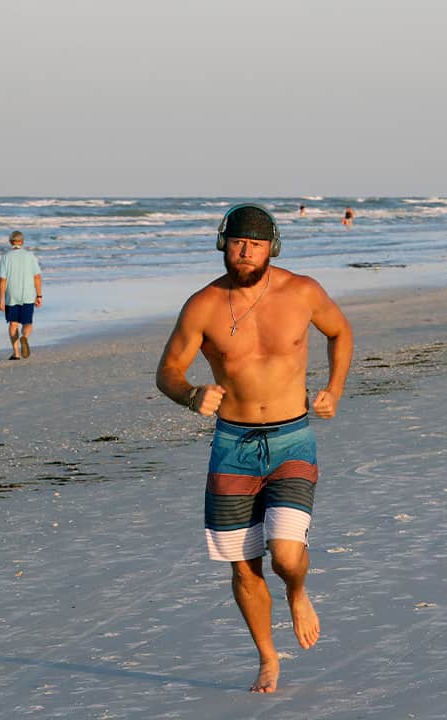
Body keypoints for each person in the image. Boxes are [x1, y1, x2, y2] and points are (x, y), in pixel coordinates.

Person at [156, 203, 353, 694]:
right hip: (232, 444)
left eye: (256, 244)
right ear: (224, 243)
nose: (245, 252)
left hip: (291, 437)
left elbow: (340, 331)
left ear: (272, 247)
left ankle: (299, 590)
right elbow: (168, 372)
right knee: (244, 565)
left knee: (286, 557)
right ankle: (267, 657)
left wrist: (335, 388)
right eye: (238, 242)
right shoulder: (201, 305)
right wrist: (191, 395)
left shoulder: (301, 292)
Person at [0, 231, 42, 360]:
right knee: (27, 323)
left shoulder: (5, 257)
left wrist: (1, 300)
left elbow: (2, 280)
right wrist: (39, 295)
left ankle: (16, 353)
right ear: (22, 242)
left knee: (13, 324)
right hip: (28, 294)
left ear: (11, 242)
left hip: (11, 295)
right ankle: (25, 337)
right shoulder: (30, 255)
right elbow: (37, 276)